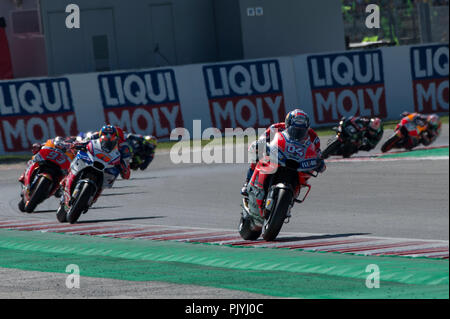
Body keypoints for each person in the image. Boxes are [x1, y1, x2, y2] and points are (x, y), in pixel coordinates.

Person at [241, 109, 325, 196]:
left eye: (301, 131)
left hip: (299, 162)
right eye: (295, 130)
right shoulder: (276, 128)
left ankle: (292, 194)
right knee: (257, 156)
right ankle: (248, 181)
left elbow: (318, 153)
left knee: (309, 171)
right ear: (287, 125)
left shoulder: (313, 137)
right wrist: (260, 145)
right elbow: (262, 139)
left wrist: (320, 163)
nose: (297, 133)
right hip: (279, 155)